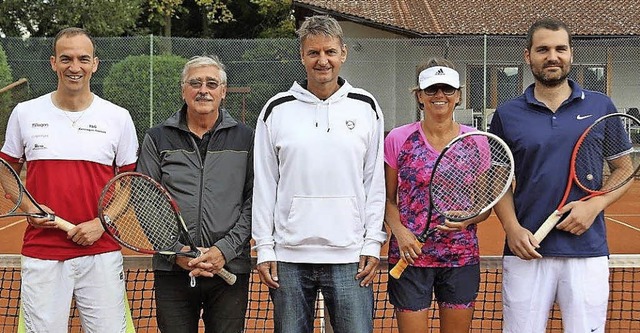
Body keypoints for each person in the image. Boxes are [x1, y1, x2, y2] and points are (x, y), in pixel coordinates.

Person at [490, 18, 634, 333]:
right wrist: (512, 228)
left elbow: (624, 167)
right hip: (525, 251)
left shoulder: (601, 106)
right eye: (543, 49)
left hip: (587, 251)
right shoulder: (507, 114)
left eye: (560, 49)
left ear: (571, 54)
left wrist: (594, 205)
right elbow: (498, 181)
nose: (552, 56)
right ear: (528, 56)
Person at [252, 15, 387, 333]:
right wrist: (265, 247)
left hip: (351, 255)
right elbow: (265, 182)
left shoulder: (366, 106)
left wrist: (371, 244)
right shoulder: (276, 109)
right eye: (313, 53)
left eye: (329, 51)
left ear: (343, 53)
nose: (322, 60)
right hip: (289, 257)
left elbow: (374, 182)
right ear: (302, 56)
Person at [0, 27, 138, 332]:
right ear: (53, 62)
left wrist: (102, 222)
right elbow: (5, 170)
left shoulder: (118, 117)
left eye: (83, 59)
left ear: (94, 64)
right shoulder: (25, 113)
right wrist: (28, 208)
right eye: (66, 58)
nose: (74, 67)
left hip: (100, 251)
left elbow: (128, 183)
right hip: (42, 253)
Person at [136, 55, 254, 333]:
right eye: (195, 83)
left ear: (223, 92)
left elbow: (255, 200)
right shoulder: (157, 137)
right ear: (183, 89)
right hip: (173, 269)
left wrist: (223, 251)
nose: (204, 89)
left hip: (229, 268)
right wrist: (175, 251)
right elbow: (144, 198)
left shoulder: (247, 137)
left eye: (212, 83)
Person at [384, 58, 488, 333]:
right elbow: (387, 198)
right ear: (419, 95)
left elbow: (485, 206)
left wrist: (468, 220)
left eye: (447, 89)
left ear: (459, 95)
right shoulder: (398, 138)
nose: (439, 96)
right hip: (409, 258)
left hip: (460, 257)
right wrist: (401, 233)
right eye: (431, 89)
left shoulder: (476, 140)